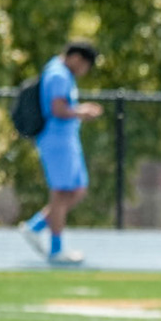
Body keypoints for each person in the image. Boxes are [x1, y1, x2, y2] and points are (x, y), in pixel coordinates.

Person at [17, 40, 102, 266]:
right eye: (85, 65)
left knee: (78, 189)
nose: (84, 71)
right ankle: (56, 249)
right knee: (60, 193)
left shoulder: (61, 72)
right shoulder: (58, 75)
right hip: (57, 141)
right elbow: (58, 109)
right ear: (76, 58)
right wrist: (82, 112)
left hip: (67, 140)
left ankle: (36, 226)